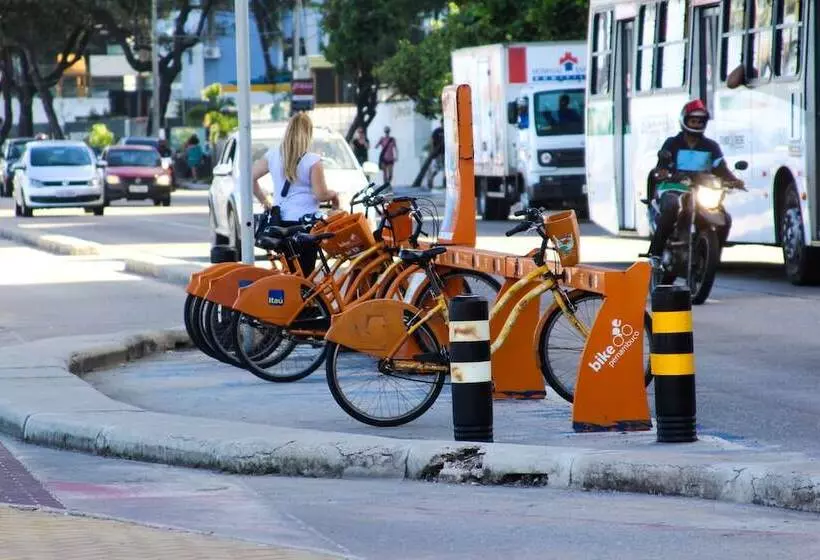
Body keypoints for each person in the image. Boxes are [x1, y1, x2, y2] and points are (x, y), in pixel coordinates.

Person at [647, 99, 744, 258]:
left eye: (700, 122)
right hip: (674, 188)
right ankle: (656, 254)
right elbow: (661, 166)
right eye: (693, 121)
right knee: (671, 207)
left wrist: (734, 180)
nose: (697, 124)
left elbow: (721, 168)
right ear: (684, 121)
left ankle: (710, 257)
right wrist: (664, 172)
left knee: (724, 219)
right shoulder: (672, 143)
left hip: (701, 190)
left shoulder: (711, 146)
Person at [251, 112, 339, 275]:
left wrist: (264, 200)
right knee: (305, 276)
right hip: (304, 226)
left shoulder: (273, 155)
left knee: (290, 274)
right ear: (308, 133)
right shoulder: (313, 160)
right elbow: (321, 194)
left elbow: (250, 178)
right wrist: (334, 195)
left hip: (280, 223)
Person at [425, 123, 444, 189]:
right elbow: (432, 140)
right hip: (438, 152)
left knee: (444, 168)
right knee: (438, 168)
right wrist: (432, 150)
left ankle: (444, 183)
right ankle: (431, 179)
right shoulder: (437, 131)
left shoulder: (447, 130)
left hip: (444, 152)